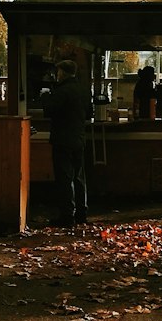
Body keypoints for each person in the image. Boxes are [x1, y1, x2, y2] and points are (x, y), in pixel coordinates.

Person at [41, 59, 93, 227]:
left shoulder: (61, 91)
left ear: (62, 72)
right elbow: (88, 113)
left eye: (58, 72)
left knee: (64, 178)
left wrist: (45, 96)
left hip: (62, 139)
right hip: (79, 138)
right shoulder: (83, 90)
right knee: (79, 177)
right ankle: (81, 213)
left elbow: (49, 110)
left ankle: (67, 215)